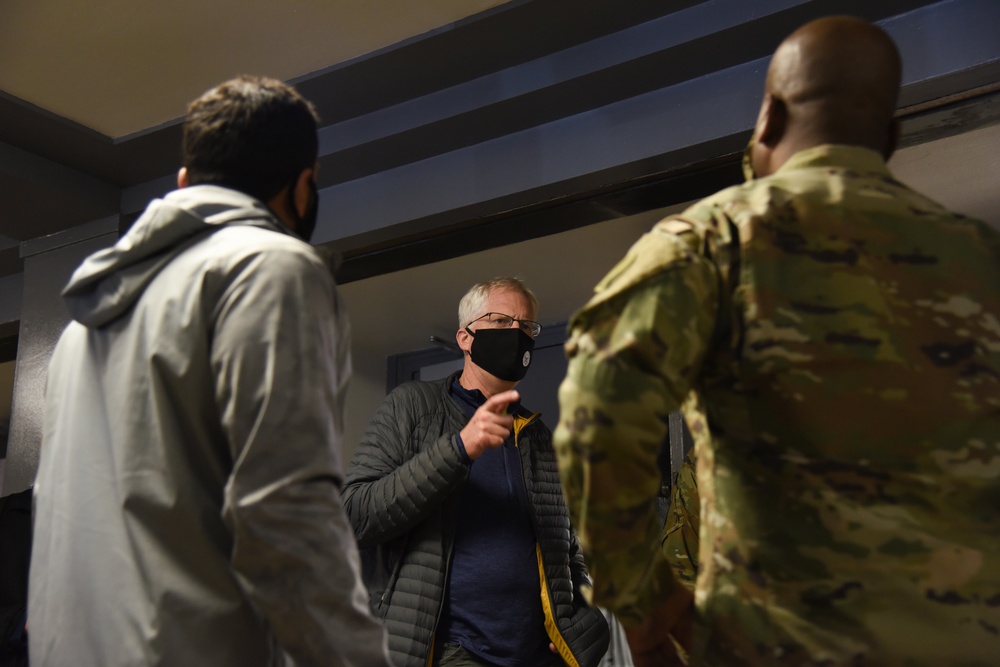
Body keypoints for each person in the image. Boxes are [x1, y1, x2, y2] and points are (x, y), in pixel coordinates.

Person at [554, 15, 1000, 666]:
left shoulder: (713, 243)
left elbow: (596, 425)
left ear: (767, 117)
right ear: (892, 135)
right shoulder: (983, 261)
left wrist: (650, 609)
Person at [28, 76, 391, 667]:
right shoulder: (270, 272)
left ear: (184, 184)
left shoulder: (78, 332)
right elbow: (286, 516)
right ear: (303, 188)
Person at [343, 277, 610, 667]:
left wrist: (586, 623)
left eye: (526, 327)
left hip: (537, 656)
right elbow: (355, 514)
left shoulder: (538, 438)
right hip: (453, 651)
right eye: (501, 322)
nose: (516, 334)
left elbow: (566, 550)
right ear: (465, 338)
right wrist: (458, 450)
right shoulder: (413, 406)